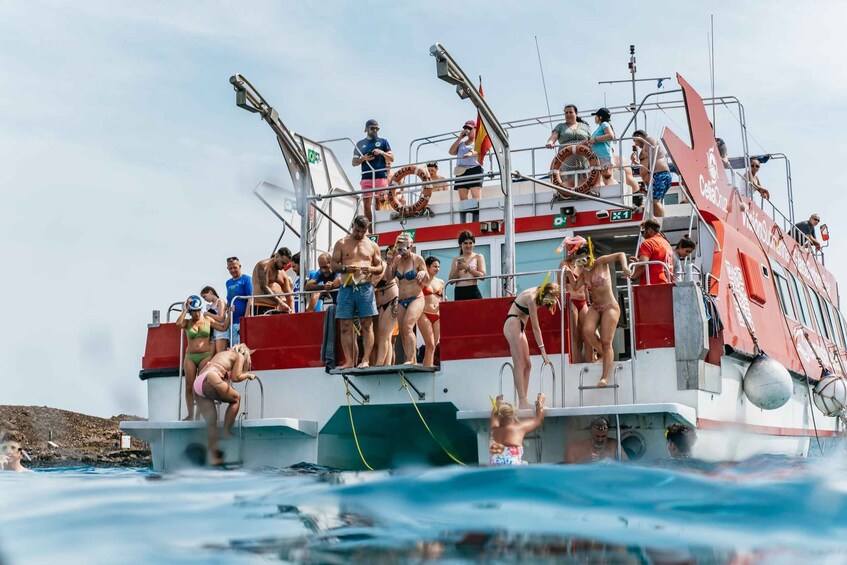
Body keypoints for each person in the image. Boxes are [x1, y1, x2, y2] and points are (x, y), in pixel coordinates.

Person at [566, 245, 631, 387]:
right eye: (579, 262)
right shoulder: (584, 272)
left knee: (607, 341)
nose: (582, 264)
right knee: (587, 331)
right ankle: (604, 354)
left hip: (609, 306)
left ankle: (604, 377)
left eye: (584, 260)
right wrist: (569, 274)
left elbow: (620, 252)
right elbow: (576, 286)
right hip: (595, 307)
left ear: (590, 256)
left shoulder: (601, 262)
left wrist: (625, 268)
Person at [331, 215, 384, 369]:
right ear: (352, 225)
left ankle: (365, 359)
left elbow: (380, 266)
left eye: (363, 231)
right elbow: (333, 264)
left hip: (365, 287)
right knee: (345, 325)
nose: (360, 234)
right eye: (357, 230)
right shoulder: (342, 243)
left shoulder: (372, 245)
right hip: (347, 287)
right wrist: (345, 268)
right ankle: (348, 361)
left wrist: (372, 269)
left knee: (367, 324)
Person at [192, 344, 256, 466]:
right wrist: (248, 375)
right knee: (236, 398)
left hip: (198, 384)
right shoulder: (239, 356)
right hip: (212, 377)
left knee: (212, 422)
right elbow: (236, 377)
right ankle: (226, 431)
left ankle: (214, 457)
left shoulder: (221, 354)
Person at [503, 283, 557, 409]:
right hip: (512, 323)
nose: (546, 304)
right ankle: (522, 401)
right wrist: (542, 350)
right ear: (544, 293)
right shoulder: (532, 298)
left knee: (528, 364)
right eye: (547, 300)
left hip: (519, 326)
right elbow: (536, 328)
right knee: (520, 363)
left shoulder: (540, 296)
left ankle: (524, 401)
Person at [176, 295, 231, 420]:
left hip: (205, 356)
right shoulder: (187, 322)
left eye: (198, 310)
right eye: (194, 311)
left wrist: (230, 314)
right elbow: (178, 323)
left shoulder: (207, 319)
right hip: (190, 357)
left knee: (202, 386)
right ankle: (190, 414)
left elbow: (223, 327)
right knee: (189, 387)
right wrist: (185, 309)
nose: (196, 313)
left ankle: (203, 413)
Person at [389, 233, 430, 365]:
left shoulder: (417, 259)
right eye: (399, 249)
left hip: (416, 297)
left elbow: (427, 281)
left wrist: (423, 273)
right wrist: (391, 262)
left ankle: (411, 359)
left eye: (404, 249)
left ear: (410, 247)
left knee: (407, 326)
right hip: (401, 299)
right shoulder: (398, 259)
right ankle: (409, 357)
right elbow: (389, 277)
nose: (401, 253)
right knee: (402, 331)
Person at [353, 119, 394, 227]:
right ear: (366, 129)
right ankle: (370, 229)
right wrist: (364, 158)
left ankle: (380, 228)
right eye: (372, 128)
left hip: (380, 177)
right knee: (366, 205)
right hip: (366, 178)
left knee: (379, 203)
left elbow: (391, 158)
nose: (375, 130)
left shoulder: (383, 142)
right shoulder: (360, 144)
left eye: (377, 128)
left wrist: (381, 152)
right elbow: (354, 162)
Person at [489, 393, 546, 465]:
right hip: (512, 465)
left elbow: (494, 415)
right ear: (513, 415)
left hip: (494, 467)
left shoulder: (493, 430)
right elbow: (538, 420)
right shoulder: (518, 428)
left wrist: (498, 403)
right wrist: (540, 401)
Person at [559, 237, 591, 363]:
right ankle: (576, 363)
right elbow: (560, 285)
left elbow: (586, 286)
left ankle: (590, 361)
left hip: (583, 301)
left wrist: (588, 301)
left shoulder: (583, 265)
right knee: (575, 336)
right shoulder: (564, 265)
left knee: (588, 334)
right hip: (571, 300)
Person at [545, 104, 592, 188]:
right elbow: (554, 136)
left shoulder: (585, 127)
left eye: (571, 112)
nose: (568, 114)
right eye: (566, 113)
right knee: (569, 179)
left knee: (583, 178)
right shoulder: (560, 126)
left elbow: (591, 140)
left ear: (576, 113)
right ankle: (568, 195)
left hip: (583, 157)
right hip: (566, 157)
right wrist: (550, 142)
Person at [632, 130, 672, 218]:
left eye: (635, 140)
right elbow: (645, 164)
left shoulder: (649, 140)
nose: (636, 144)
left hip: (659, 174)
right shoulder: (645, 146)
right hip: (655, 176)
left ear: (639, 136)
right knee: (654, 203)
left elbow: (653, 155)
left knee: (655, 202)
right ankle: (657, 222)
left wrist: (650, 172)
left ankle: (660, 224)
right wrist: (635, 162)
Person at [373, 245, 399, 366]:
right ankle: (386, 364)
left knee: (384, 335)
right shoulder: (375, 267)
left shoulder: (385, 265)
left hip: (392, 300)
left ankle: (379, 364)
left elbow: (379, 281)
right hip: (383, 303)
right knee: (386, 337)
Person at [629, 219, 674, 286]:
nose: (642, 235)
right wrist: (639, 261)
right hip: (667, 284)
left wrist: (632, 277)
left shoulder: (648, 242)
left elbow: (643, 265)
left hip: (652, 285)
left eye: (642, 232)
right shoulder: (667, 243)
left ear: (650, 230)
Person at [419, 256, 445, 367]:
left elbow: (443, 297)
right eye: (435, 266)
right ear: (428, 267)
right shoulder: (422, 281)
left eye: (439, 267)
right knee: (429, 344)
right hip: (424, 312)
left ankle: (428, 366)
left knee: (434, 345)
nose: (437, 269)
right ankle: (427, 368)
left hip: (437, 314)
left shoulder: (441, 282)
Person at [449, 120, 485, 200]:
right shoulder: (461, 143)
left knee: (476, 197)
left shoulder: (478, 142)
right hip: (461, 171)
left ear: (475, 129)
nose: (467, 130)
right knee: (463, 199)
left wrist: (470, 153)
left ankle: (476, 212)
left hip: (474, 169)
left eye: (469, 128)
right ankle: (465, 212)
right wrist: (460, 138)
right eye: (465, 128)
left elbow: (479, 151)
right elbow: (451, 152)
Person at [251, 248, 294, 315]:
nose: (284, 266)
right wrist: (280, 302)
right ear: (276, 256)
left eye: (286, 264)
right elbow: (264, 287)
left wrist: (292, 311)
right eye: (283, 263)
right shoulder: (263, 266)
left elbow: (289, 295)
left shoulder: (283, 273)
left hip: (276, 309)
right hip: (261, 307)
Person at [449, 230, 486, 300]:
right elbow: (451, 281)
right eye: (465, 243)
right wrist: (458, 270)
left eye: (470, 243)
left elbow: (483, 276)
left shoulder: (478, 256)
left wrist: (467, 268)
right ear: (460, 244)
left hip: (473, 289)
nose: (468, 246)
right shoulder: (456, 259)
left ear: (474, 244)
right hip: (459, 291)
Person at [583, 107, 615, 186]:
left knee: (607, 178)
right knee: (602, 179)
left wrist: (595, 139)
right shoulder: (599, 127)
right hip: (599, 157)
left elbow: (611, 136)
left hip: (604, 156)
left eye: (596, 116)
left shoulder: (604, 124)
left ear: (600, 117)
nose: (595, 118)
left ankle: (617, 190)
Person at [225, 256, 252, 345]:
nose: (233, 270)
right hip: (232, 322)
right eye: (230, 268)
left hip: (242, 321)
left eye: (235, 268)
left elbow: (250, 299)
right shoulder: (228, 283)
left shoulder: (246, 279)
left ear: (240, 266)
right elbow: (229, 301)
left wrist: (245, 320)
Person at [201, 286, 229, 354]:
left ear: (210, 292)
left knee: (220, 354)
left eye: (205, 296)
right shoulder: (209, 306)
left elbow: (221, 318)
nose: (205, 299)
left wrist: (208, 314)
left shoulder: (220, 301)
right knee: (211, 355)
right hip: (213, 331)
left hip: (221, 331)